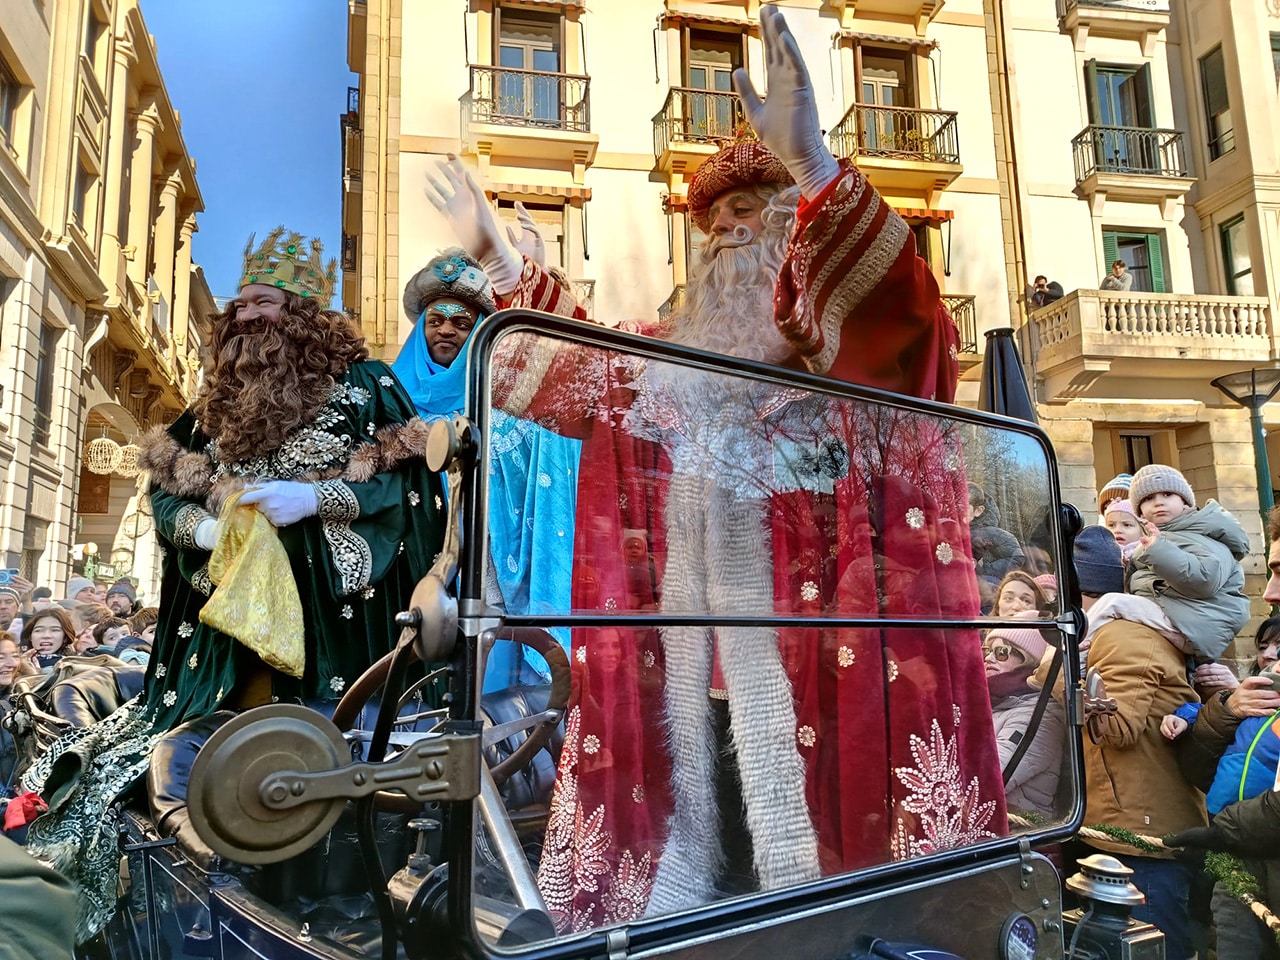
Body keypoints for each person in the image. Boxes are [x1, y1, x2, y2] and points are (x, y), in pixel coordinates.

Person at [427, 6, 1003, 930]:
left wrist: (816, 166)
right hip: (690, 689)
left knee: (822, 904)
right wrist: (499, 261)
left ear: (794, 226)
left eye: (753, 209)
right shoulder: (675, 355)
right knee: (706, 892)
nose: (730, 231)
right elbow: (579, 371)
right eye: (715, 220)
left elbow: (907, 322)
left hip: (830, 674)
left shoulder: (837, 347)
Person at [23, 227, 446, 940]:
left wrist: (318, 502)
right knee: (236, 761)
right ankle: (232, 899)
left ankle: (341, 910)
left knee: (331, 761)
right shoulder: (209, 409)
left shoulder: (368, 387)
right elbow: (165, 498)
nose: (246, 315)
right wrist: (206, 530)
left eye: (264, 302)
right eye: (239, 303)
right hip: (227, 645)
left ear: (305, 314)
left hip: (337, 630)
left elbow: (408, 490)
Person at [393, 248, 580, 691]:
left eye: (462, 323)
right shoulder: (387, 394)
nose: (447, 331)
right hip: (408, 561)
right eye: (437, 319)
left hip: (481, 568)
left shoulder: (504, 400)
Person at [1070, 524, 1206, 960]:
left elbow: (1115, 728)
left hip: (1136, 835)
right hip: (1142, 822)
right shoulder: (1136, 633)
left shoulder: (1123, 635)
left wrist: (1051, 667)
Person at [1168, 515, 1280, 960]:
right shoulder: (1253, 694)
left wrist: (1222, 829)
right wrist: (1227, 710)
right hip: (1248, 867)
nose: (1269, 592)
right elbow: (1197, 768)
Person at [1126, 463, 1250, 660]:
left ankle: (1076, 660)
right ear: (1140, 512)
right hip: (1176, 619)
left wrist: (1158, 550)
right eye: (1149, 498)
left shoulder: (1207, 537)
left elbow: (1204, 580)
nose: (1158, 503)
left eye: (1167, 494)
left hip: (1193, 627)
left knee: (1113, 604)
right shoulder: (1157, 539)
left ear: (1185, 501)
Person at [984, 614, 1064, 817]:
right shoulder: (991, 701)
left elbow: (988, 780)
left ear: (1028, 660)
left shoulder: (1040, 713)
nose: (988, 658)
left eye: (1001, 652)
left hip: (1018, 838)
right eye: (987, 650)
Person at [967, 483, 1025, 580]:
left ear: (978, 511)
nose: (956, 511)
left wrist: (983, 572)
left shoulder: (992, 533)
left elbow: (1016, 557)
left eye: (963, 506)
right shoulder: (947, 529)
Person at [19, 608, 76, 674]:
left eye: (55, 630)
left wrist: (35, 677)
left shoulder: (74, 667)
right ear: (30, 636)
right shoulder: (14, 665)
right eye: (39, 630)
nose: (46, 635)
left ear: (65, 637)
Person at [1103, 498, 1144, 563]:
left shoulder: (1146, 553)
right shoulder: (1102, 552)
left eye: (1127, 525)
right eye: (1111, 525)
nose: (1117, 530)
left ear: (1142, 528)